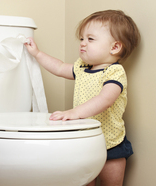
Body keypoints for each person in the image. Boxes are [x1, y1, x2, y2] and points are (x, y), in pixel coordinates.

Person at [25, 10, 140, 186]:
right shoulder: (82, 67)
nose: (83, 44)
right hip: (85, 141)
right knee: (84, 182)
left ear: (115, 47)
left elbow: (105, 99)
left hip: (111, 144)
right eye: (82, 39)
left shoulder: (114, 72)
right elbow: (59, 67)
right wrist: (38, 54)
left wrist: (75, 112)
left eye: (90, 39)